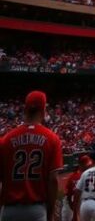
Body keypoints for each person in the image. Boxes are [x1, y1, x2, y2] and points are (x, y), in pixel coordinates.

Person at [0, 90, 63, 221]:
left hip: (9, 210)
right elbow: (53, 180)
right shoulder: (52, 139)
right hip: (36, 210)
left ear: (25, 109)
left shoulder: (6, 139)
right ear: (44, 110)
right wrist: (50, 213)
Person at [61, 155, 92, 221]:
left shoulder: (86, 175)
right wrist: (74, 210)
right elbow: (70, 196)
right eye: (87, 165)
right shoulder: (76, 177)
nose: (89, 167)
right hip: (70, 203)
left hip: (78, 202)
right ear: (81, 165)